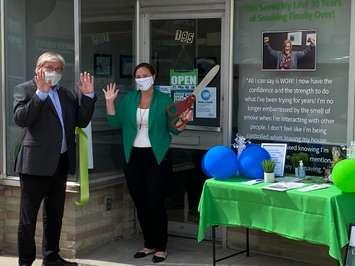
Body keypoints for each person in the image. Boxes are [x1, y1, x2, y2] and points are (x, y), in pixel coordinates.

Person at [103, 63, 192, 263]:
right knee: (140, 201)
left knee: (155, 201)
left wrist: (183, 121)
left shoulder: (164, 100)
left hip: (156, 156)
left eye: (145, 75)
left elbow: (174, 128)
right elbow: (114, 123)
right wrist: (110, 102)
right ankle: (148, 244)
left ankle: (161, 247)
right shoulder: (129, 99)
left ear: (153, 76)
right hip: (133, 156)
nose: (141, 78)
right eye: (138, 76)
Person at [13, 51, 96, 266]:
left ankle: (51, 257)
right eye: (49, 67)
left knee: (55, 215)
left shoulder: (66, 94)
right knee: (28, 219)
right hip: (34, 165)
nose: (54, 72)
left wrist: (87, 97)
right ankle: (25, 262)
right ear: (38, 69)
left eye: (58, 69)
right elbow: (21, 119)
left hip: (59, 164)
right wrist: (40, 94)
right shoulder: (25, 89)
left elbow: (80, 120)